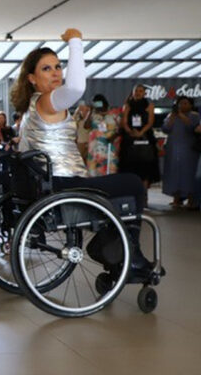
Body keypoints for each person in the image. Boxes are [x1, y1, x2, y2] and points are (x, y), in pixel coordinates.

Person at [11, 27, 155, 279]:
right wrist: (75, 42)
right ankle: (128, 254)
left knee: (118, 187)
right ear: (32, 78)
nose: (56, 72)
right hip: (65, 183)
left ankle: (113, 245)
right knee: (133, 183)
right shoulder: (48, 101)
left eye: (58, 66)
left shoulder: (31, 108)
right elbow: (76, 88)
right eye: (47, 68)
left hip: (51, 182)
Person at [119, 84, 161, 196]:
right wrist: (130, 132)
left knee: (145, 168)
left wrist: (141, 132)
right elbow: (124, 122)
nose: (138, 93)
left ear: (145, 93)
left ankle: (144, 194)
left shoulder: (149, 105)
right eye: (136, 91)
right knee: (130, 167)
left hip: (145, 137)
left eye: (140, 91)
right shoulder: (127, 105)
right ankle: (132, 194)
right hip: (130, 138)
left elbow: (150, 122)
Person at [161, 96, 200, 209]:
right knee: (174, 173)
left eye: (185, 103)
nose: (182, 105)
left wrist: (181, 115)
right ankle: (176, 198)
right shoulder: (171, 115)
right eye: (180, 103)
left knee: (189, 173)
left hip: (189, 149)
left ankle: (191, 199)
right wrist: (173, 116)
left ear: (191, 105)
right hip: (173, 148)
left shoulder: (194, 115)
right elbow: (165, 129)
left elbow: (193, 127)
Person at [84, 94, 121, 177]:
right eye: (95, 103)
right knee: (94, 172)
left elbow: (120, 128)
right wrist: (90, 111)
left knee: (109, 170)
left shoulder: (113, 113)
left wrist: (114, 136)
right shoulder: (93, 114)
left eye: (98, 102)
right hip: (95, 147)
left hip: (109, 146)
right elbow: (86, 126)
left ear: (103, 102)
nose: (97, 105)